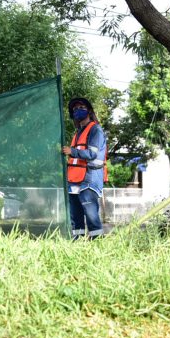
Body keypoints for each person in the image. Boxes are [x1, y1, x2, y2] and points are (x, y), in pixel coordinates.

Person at [62, 97, 108, 239]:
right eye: (75, 109)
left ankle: (97, 242)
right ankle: (78, 242)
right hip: (74, 178)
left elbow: (92, 154)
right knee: (75, 215)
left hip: (90, 177)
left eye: (81, 107)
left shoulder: (95, 130)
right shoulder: (78, 133)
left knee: (91, 214)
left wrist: (72, 151)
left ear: (88, 110)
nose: (78, 110)